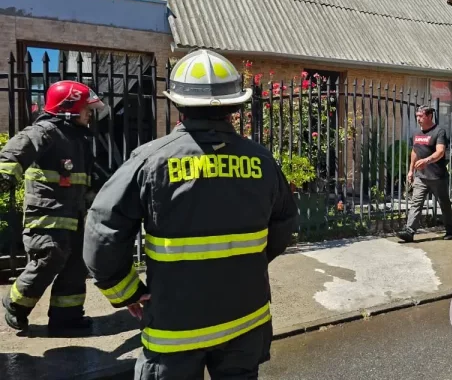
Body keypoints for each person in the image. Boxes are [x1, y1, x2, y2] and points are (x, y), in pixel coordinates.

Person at [82, 49, 299, 379]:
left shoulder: (150, 160)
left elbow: (102, 230)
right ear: (235, 105)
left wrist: (126, 291)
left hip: (176, 332)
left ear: (177, 104)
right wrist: (248, 261)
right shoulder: (262, 161)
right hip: (246, 322)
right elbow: (285, 221)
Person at [1, 80, 107, 332]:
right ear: (68, 108)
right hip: (46, 216)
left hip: (75, 217)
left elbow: (89, 180)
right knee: (50, 255)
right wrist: (4, 178)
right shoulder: (44, 132)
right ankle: (16, 303)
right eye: (86, 109)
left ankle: (66, 319)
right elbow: (12, 156)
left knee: (75, 266)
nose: (89, 115)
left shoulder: (79, 141)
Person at [399, 105, 452, 242]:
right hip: (421, 176)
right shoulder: (416, 133)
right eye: (417, 115)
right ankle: (409, 231)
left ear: (429, 116)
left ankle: (450, 230)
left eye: (421, 116)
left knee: (444, 204)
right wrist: (411, 170)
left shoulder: (439, 132)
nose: (418, 118)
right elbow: (414, 152)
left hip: (437, 177)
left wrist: (427, 160)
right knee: (416, 203)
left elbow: (440, 151)